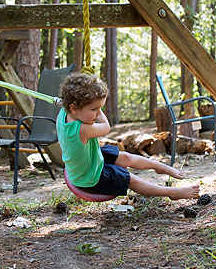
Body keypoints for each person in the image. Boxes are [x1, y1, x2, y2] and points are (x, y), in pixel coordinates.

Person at [57, 72, 199, 200]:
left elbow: (77, 103)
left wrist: (92, 104)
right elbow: (106, 127)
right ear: (74, 108)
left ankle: (160, 167)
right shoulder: (82, 129)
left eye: (100, 108)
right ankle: (172, 193)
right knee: (132, 179)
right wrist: (98, 109)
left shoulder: (64, 113)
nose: (98, 113)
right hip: (90, 177)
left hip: (88, 160)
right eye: (94, 109)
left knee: (127, 157)